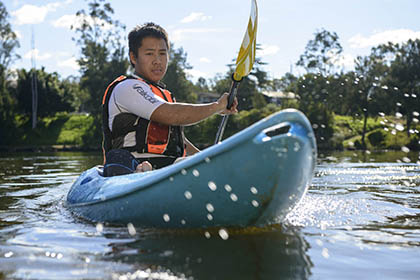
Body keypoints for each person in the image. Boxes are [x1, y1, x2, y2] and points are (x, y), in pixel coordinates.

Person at [102, 22, 238, 176]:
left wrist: (206, 159)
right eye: (149, 53)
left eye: (162, 53)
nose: (157, 61)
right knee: (119, 158)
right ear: (133, 57)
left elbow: (182, 142)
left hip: (167, 166)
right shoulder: (127, 88)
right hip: (131, 166)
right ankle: (143, 171)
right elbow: (171, 114)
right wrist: (217, 107)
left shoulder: (163, 95)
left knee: (193, 163)